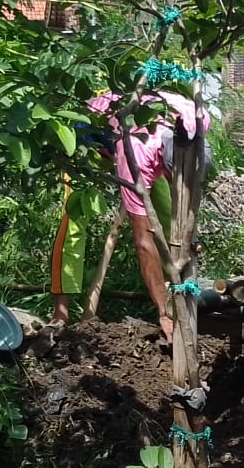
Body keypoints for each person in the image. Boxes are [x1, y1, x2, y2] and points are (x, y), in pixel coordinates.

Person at [50, 91, 201, 338]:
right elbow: (143, 242)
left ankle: (176, 302)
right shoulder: (139, 153)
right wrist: (163, 314)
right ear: (164, 158)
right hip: (88, 139)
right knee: (73, 223)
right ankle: (60, 314)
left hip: (139, 137)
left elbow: (187, 192)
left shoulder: (197, 118)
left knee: (167, 215)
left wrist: (191, 236)